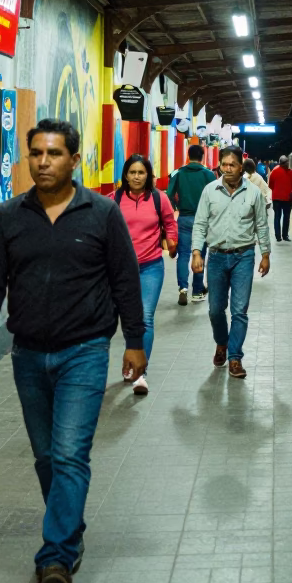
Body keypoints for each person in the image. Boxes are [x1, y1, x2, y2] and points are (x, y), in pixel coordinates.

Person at [0, 119, 145, 583]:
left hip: (86, 350)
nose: (43, 162)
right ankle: (70, 531)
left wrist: (135, 343)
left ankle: (54, 559)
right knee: (46, 458)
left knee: (70, 453)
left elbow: (124, 279)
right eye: (35, 153)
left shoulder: (101, 214)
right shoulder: (9, 218)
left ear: (75, 161)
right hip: (28, 354)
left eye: (54, 154)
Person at [192, 146, 271, 379]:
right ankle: (221, 343)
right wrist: (197, 252)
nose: (227, 169)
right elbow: (200, 223)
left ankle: (235, 357)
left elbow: (262, 225)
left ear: (240, 166)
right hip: (215, 256)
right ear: (219, 165)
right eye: (224, 164)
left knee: (239, 311)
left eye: (232, 165)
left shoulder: (253, 193)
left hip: (244, 256)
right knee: (216, 310)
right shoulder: (209, 191)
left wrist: (265, 254)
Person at [114, 154, 178, 395]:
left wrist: (172, 242)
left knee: (146, 317)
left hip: (151, 266)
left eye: (141, 172)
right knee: (124, 319)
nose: (137, 176)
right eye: (132, 172)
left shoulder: (158, 199)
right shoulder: (115, 199)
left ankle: (141, 373)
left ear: (148, 175)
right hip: (120, 271)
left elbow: (170, 222)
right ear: (125, 175)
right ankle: (131, 354)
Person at [167, 143, 216, 305]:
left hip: (184, 219)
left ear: (188, 156)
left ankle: (183, 289)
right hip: (203, 221)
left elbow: (168, 195)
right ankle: (197, 291)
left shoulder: (179, 173)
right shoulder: (209, 175)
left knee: (184, 255)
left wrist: (175, 208)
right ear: (202, 158)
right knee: (199, 255)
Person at [269, 154, 292, 243]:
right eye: (286, 162)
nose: (287, 164)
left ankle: (278, 236)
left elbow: (270, 185)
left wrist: (277, 191)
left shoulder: (274, 171)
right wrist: (291, 191)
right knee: (286, 217)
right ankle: (284, 235)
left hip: (277, 199)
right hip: (286, 199)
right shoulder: (291, 173)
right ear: (283, 163)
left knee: (277, 217)